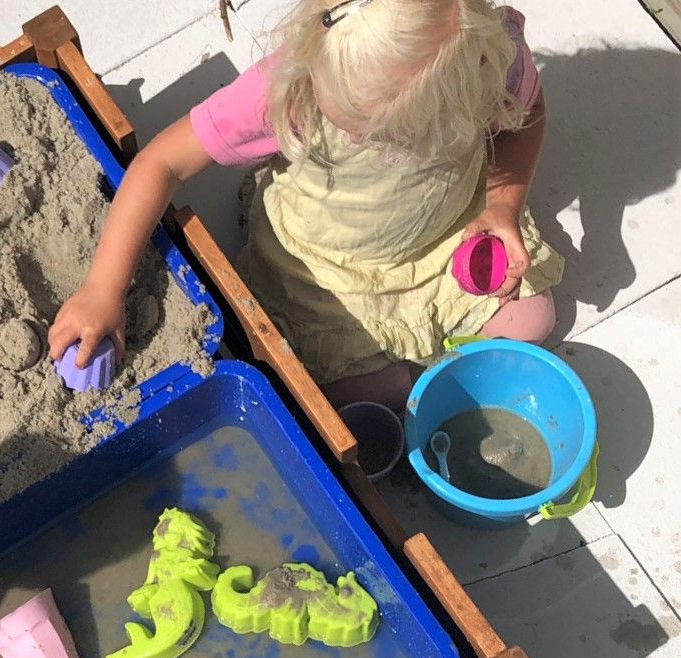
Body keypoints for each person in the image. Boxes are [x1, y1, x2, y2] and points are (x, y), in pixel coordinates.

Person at [48, 0, 564, 412]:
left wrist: (502, 206)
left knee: (535, 319)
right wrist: (103, 287)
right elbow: (163, 162)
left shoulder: (486, 59)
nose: (372, 142)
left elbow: (529, 112)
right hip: (327, 265)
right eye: (354, 125)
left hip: (440, 234)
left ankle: (423, 362)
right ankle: (410, 372)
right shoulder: (288, 90)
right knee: (368, 395)